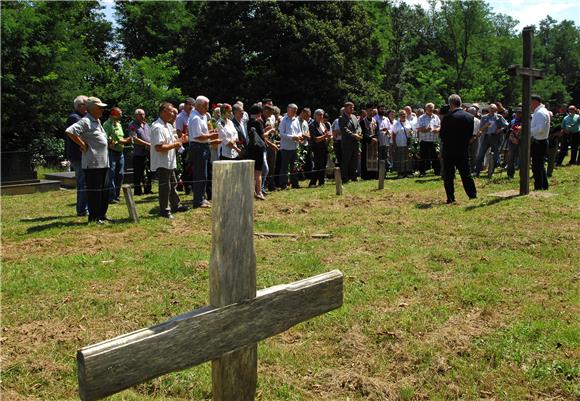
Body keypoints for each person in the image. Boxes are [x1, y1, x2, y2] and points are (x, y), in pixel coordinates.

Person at [65, 97, 110, 224]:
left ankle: (102, 215)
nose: (102, 110)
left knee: (104, 191)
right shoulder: (86, 121)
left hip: (103, 162)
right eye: (100, 107)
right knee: (94, 192)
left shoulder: (97, 121)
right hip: (92, 163)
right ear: (92, 108)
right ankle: (94, 217)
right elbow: (70, 131)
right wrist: (82, 144)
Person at [150, 102, 188, 218]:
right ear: (163, 112)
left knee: (173, 183)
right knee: (165, 187)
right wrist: (175, 145)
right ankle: (164, 210)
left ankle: (176, 204)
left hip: (170, 161)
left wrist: (182, 140)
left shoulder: (169, 126)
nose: (173, 113)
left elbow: (174, 142)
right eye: (171, 111)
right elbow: (159, 147)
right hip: (162, 162)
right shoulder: (158, 127)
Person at [439, 94, 477, 204]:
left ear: (450, 104)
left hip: (449, 150)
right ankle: (472, 194)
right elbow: (470, 134)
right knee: (466, 174)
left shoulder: (447, 117)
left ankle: (450, 198)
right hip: (463, 149)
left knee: (449, 175)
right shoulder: (470, 117)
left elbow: (442, 135)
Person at [188, 96, 219, 208]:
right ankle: (198, 201)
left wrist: (211, 132)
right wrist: (212, 135)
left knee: (204, 174)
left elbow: (203, 132)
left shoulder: (202, 116)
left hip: (203, 146)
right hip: (198, 147)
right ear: (199, 106)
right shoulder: (196, 117)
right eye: (206, 107)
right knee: (200, 174)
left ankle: (202, 198)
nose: (207, 109)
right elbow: (198, 136)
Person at [66, 95, 89, 216]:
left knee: (85, 181)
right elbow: (75, 134)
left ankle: (85, 208)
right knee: (83, 181)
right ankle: (82, 209)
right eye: (87, 104)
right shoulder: (74, 118)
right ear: (80, 106)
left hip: (83, 155)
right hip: (79, 155)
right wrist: (83, 144)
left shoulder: (81, 117)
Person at [103, 107, 131, 203]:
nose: (121, 115)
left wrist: (125, 140)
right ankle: (111, 197)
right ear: (113, 113)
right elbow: (106, 140)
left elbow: (120, 137)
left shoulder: (119, 124)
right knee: (111, 174)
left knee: (120, 175)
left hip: (120, 152)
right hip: (111, 153)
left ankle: (117, 195)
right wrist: (123, 141)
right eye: (119, 113)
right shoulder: (106, 125)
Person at [475, 103, 508, 177]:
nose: (492, 110)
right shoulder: (484, 117)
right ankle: (477, 171)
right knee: (481, 154)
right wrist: (485, 126)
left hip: (495, 137)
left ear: (496, 110)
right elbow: (480, 129)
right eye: (491, 109)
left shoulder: (499, 117)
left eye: (494, 109)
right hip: (486, 137)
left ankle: (491, 171)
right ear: (489, 109)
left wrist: (500, 129)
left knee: (495, 155)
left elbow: (506, 125)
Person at [128, 108, 153, 196]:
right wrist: (146, 143)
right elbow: (134, 139)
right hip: (138, 153)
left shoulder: (146, 125)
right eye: (140, 114)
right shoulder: (132, 125)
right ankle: (138, 191)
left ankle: (148, 189)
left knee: (149, 171)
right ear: (136, 116)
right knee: (138, 172)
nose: (142, 116)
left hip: (148, 152)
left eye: (143, 114)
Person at [278, 103, 303, 189]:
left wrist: (299, 136)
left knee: (294, 166)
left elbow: (299, 131)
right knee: (284, 167)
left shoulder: (296, 120)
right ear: (288, 110)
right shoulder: (283, 120)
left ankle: (295, 183)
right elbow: (281, 134)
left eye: (296, 111)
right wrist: (293, 137)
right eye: (293, 110)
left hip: (295, 147)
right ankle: (283, 184)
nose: (295, 112)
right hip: (285, 147)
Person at [246, 104, 268, 199]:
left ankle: (252, 191)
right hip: (258, 148)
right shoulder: (258, 122)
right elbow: (263, 136)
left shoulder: (248, 122)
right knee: (258, 171)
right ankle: (259, 192)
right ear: (259, 112)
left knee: (251, 171)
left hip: (250, 148)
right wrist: (270, 130)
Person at [530, 94, 551, 190]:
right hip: (540, 141)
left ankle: (539, 186)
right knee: (539, 165)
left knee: (537, 166)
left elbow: (540, 129)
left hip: (539, 141)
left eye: (530, 102)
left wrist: (527, 131)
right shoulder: (539, 112)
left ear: (535, 102)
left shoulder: (540, 113)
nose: (530, 105)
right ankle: (543, 185)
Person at [338, 102, 362, 183]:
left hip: (355, 142)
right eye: (350, 107)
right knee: (346, 161)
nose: (352, 109)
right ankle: (344, 178)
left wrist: (358, 132)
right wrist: (354, 135)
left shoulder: (354, 117)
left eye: (353, 107)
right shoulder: (341, 118)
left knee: (354, 161)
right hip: (347, 143)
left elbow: (358, 126)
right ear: (345, 108)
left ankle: (353, 177)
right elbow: (345, 130)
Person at [416, 103, 441, 176]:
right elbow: (418, 128)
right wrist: (426, 129)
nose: (431, 109)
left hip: (434, 141)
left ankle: (437, 172)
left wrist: (437, 130)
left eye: (432, 108)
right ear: (426, 109)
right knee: (423, 157)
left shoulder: (436, 117)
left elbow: (440, 126)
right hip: (424, 141)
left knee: (435, 157)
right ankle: (422, 172)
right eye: (429, 108)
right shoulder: (421, 118)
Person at [176, 97, 195, 194]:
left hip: (193, 143)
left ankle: (192, 186)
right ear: (186, 105)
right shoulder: (180, 117)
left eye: (193, 105)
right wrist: (188, 137)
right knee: (187, 166)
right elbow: (179, 133)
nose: (192, 107)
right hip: (186, 144)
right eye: (190, 104)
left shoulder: (192, 115)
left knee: (193, 166)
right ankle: (188, 187)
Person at [308, 109, 332, 187]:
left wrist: (328, 137)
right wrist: (325, 136)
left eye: (322, 115)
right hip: (316, 148)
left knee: (323, 165)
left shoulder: (323, 124)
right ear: (315, 116)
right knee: (318, 165)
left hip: (324, 147)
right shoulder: (312, 125)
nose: (321, 116)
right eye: (319, 115)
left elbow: (326, 133)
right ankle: (312, 183)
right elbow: (315, 139)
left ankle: (321, 182)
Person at [392, 110, 413, 178]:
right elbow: (393, 134)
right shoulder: (396, 124)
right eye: (401, 114)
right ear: (399, 116)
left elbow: (411, 132)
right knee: (400, 159)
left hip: (407, 144)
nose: (403, 116)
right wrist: (394, 144)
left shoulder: (408, 123)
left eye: (404, 114)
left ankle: (408, 172)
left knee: (408, 158)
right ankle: (400, 173)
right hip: (399, 144)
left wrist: (411, 133)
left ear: (406, 115)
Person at [506, 109, 522, 179]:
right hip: (512, 142)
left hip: (521, 142)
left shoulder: (525, 122)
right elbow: (508, 132)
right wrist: (512, 139)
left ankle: (522, 174)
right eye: (516, 113)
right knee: (510, 158)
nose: (517, 115)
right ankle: (510, 174)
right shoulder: (512, 121)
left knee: (522, 158)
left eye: (519, 114)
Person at [467, 106, 481, 175]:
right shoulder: (464, 119)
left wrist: (474, 138)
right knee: (466, 154)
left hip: (475, 137)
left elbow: (480, 131)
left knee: (474, 154)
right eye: (470, 112)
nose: (471, 113)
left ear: (475, 113)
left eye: (473, 112)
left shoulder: (478, 121)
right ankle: (466, 169)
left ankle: (473, 169)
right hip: (466, 138)